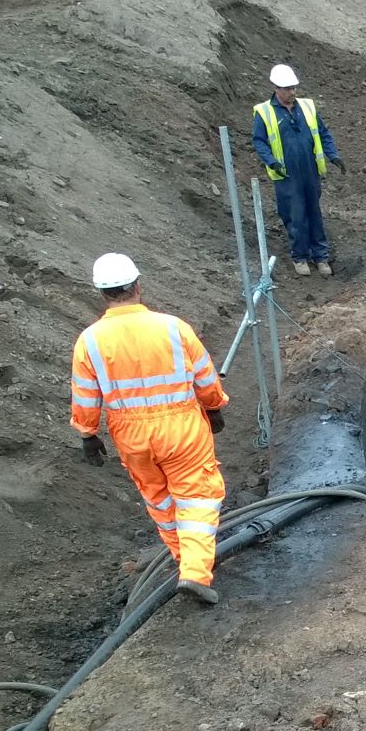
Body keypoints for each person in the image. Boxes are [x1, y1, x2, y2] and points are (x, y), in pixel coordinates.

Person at [72, 254, 230, 605]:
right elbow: (205, 376)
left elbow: (85, 396)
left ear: (103, 293)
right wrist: (214, 405)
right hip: (180, 428)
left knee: (160, 499)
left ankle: (183, 559)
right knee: (198, 496)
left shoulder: (90, 340)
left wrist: (87, 434)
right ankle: (195, 571)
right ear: (137, 286)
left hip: (130, 435)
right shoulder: (173, 327)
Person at [252, 63, 345, 276]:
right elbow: (259, 141)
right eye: (287, 89)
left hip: (310, 171)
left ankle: (321, 256)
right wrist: (271, 161)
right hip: (286, 174)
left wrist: (333, 155)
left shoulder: (307, 107)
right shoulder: (265, 112)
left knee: (314, 212)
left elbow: (323, 133)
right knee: (295, 215)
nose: (292, 92)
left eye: (294, 87)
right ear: (276, 88)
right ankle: (300, 256)